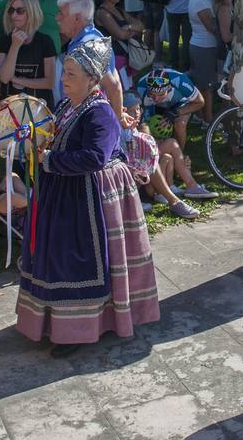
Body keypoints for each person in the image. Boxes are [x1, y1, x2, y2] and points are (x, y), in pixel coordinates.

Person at [15, 38, 160, 356]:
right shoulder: (67, 105)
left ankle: (79, 329)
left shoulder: (101, 113)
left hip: (90, 199)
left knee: (77, 261)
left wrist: (49, 160)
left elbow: (95, 158)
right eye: (64, 73)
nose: (63, 80)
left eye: (70, 74)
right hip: (63, 194)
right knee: (56, 257)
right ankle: (55, 321)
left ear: (92, 79)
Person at [0, 0, 57, 108]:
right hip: (10, 111)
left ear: (32, 12)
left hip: (39, 111)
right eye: (11, 10)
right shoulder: (3, 41)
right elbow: (4, 78)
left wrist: (18, 80)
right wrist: (15, 46)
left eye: (20, 11)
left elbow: (50, 82)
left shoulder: (45, 42)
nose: (14, 15)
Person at [133, 65, 205, 154]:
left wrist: (176, 112)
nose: (156, 98)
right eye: (152, 94)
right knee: (148, 127)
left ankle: (180, 155)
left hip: (180, 103)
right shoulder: (141, 88)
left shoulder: (180, 81)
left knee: (180, 124)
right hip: (153, 106)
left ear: (169, 87)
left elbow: (200, 102)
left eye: (161, 94)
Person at [95, 0, 145, 82]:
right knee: (121, 91)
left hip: (126, 56)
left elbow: (141, 25)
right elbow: (120, 34)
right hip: (114, 58)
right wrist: (132, 30)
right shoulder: (102, 13)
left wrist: (129, 27)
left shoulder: (119, 10)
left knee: (129, 89)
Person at [187, 0, 220, 123]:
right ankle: (209, 120)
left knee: (200, 84)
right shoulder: (202, 3)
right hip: (204, 47)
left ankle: (199, 116)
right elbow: (211, 28)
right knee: (207, 87)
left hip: (197, 44)